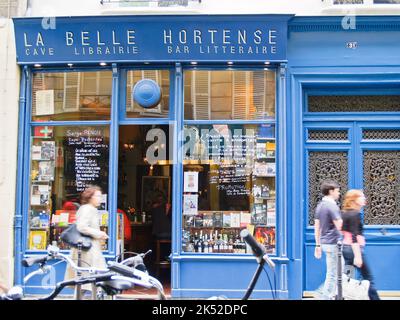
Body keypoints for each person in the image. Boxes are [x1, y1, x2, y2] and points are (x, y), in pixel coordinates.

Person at [64, 185, 109, 294]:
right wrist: (99, 233)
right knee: (87, 281)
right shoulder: (87, 209)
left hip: (89, 250)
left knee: (89, 281)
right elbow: (81, 227)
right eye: (98, 196)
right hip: (87, 251)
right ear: (90, 197)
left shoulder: (90, 209)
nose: (100, 198)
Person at [341, 189, 380, 300]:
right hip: (354, 250)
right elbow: (354, 236)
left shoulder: (345, 213)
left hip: (346, 249)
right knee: (368, 279)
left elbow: (341, 230)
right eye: (361, 196)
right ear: (354, 199)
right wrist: (358, 256)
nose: (364, 198)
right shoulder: (355, 214)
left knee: (347, 278)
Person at [314, 180, 343, 300]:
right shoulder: (332, 206)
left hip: (326, 243)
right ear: (331, 191)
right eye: (337, 191)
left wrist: (318, 245)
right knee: (335, 273)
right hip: (334, 243)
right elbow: (340, 226)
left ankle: (330, 294)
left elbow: (317, 227)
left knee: (335, 272)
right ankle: (324, 296)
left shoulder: (320, 206)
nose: (339, 193)